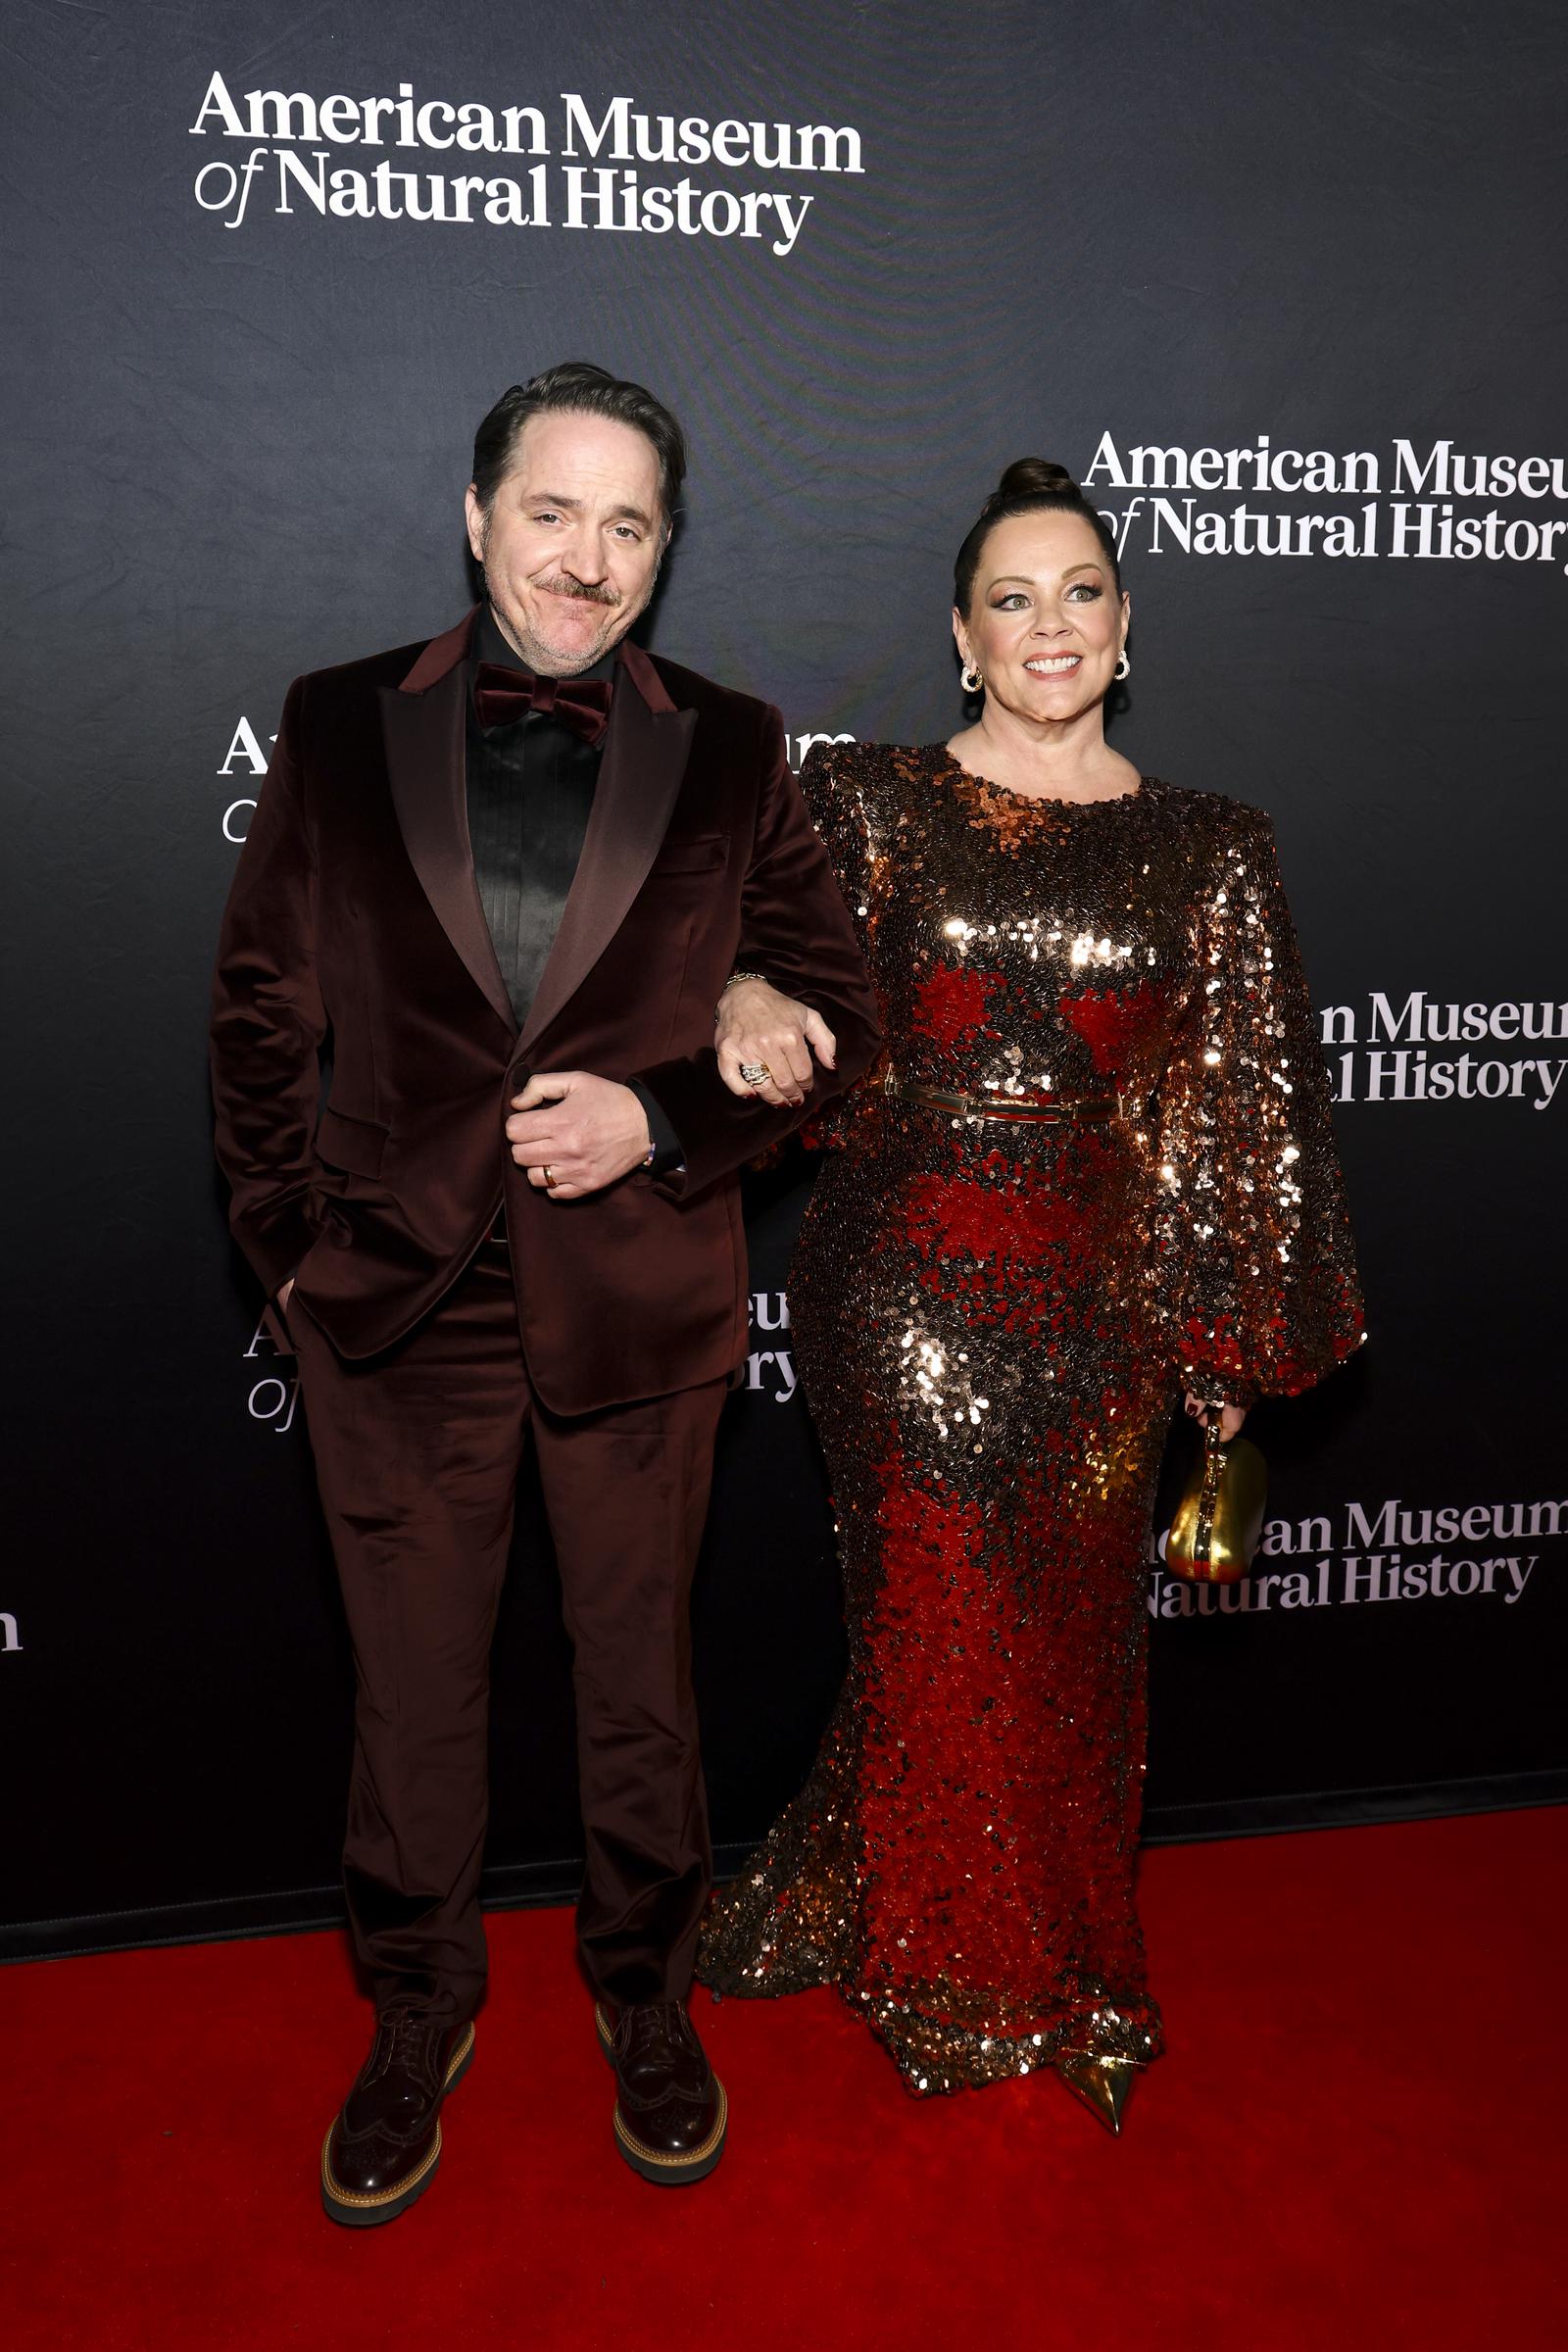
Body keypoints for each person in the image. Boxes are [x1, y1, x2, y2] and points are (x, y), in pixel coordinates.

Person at [209, 362, 880, 2224]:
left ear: (669, 552)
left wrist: (667, 1114)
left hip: (638, 1306)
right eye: (554, 510)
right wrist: (286, 1254)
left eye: (631, 525)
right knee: (411, 1696)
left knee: (639, 1694)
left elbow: (842, 1012)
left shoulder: (737, 748)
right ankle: (416, 2009)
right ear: (479, 512)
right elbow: (264, 1010)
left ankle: (648, 1999)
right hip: (395, 1303)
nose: (587, 561)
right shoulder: (340, 723)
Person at [700, 459, 1364, 2131]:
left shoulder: (1215, 845)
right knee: (940, 1628)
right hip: (902, 1283)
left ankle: (1036, 1927)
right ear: (961, 636)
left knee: (1069, 1642)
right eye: (1014, 598)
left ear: (1127, 627)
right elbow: (765, 957)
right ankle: (969, 1974)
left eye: (1082, 592)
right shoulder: (872, 799)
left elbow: (1237, 1102)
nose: (1050, 624)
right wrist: (750, 989)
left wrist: (1224, 1341)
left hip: (1105, 1304)